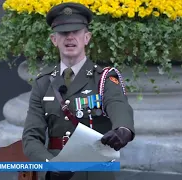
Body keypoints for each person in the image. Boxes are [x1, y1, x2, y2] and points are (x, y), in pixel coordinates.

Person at [22, 2, 135, 180]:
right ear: (54, 40)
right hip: (58, 172)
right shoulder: (43, 83)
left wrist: (123, 130)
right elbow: (30, 137)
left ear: (87, 38)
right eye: (64, 33)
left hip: (95, 172)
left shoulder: (103, 78)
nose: (70, 37)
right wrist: (51, 164)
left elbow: (118, 105)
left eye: (76, 32)